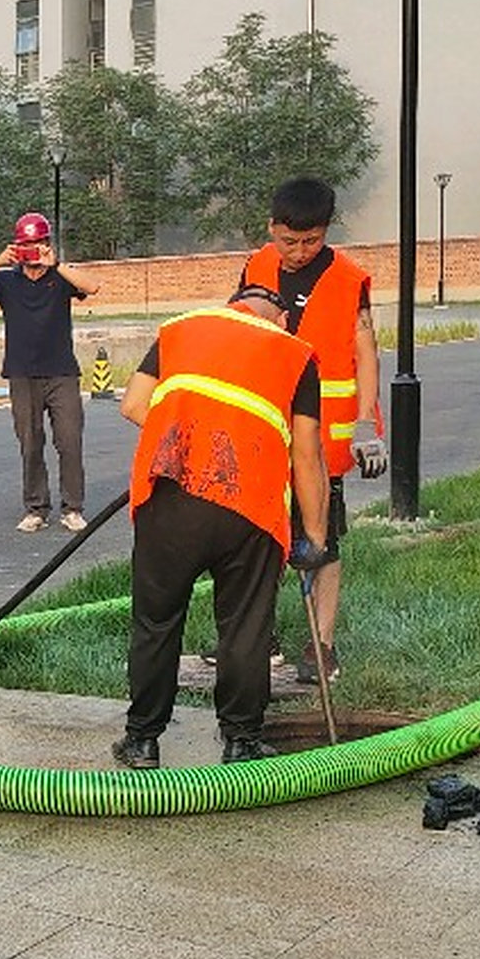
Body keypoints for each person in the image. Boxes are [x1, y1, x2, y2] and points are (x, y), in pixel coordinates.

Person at [111, 285, 331, 768]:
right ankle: (241, 741)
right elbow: (307, 452)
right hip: (250, 507)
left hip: (170, 499)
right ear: (279, 319)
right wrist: (313, 536)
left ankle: (143, 740)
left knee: (156, 621)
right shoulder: (294, 353)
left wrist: (195, 440)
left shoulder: (179, 330)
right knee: (245, 629)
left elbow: (132, 406)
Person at [237, 177, 384, 684]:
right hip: (265, 426)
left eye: (311, 241)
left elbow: (366, 350)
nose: (299, 252)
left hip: (322, 439)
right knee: (259, 540)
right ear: (271, 229)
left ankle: (321, 645)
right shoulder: (255, 267)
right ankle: (263, 638)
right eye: (289, 241)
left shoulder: (348, 278)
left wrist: (367, 423)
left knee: (323, 544)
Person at [0, 211, 101, 532]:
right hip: (22, 374)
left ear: (47, 244)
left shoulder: (60, 278)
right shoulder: (7, 281)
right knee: (30, 442)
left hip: (61, 372)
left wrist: (56, 264)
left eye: (37, 245)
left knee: (69, 441)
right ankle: (36, 508)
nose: (31, 252)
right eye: (26, 246)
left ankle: (72, 508)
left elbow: (93, 287)